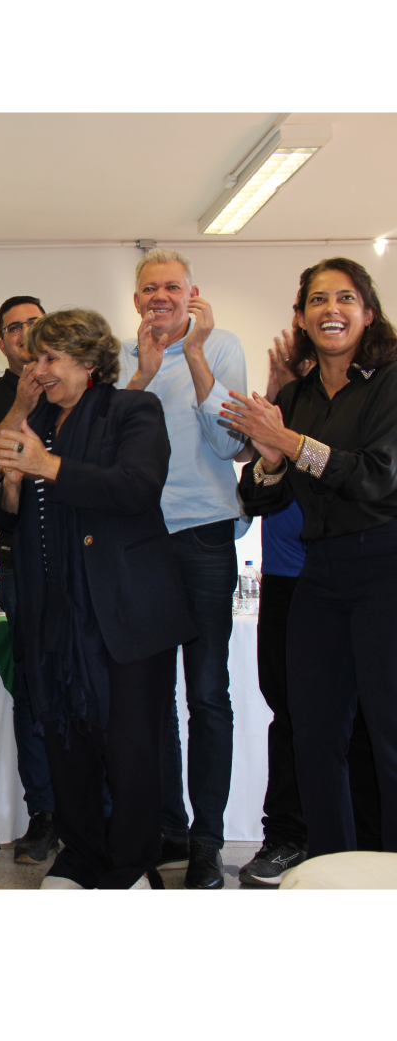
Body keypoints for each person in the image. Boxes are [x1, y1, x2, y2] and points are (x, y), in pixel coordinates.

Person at [0, 309, 195, 890]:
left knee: (129, 750)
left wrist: (43, 465)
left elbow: (136, 488)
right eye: (34, 358)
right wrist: (13, 482)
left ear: (88, 362)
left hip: (123, 614)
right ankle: (81, 859)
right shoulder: (41, 423)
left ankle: (132, 868)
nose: (39, 370)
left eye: (50, 358)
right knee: (65, 743)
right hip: (52, 615)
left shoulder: (133, 410)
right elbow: (10, 515)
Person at [227, 257, 397, 859]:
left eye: (346, 298)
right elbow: (258, 498)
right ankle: (333, 865)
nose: (332, 310)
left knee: (386, 734)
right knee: (314, 734)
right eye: (318, 300)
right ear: (300, 317)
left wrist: (292, 445)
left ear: (368, 313)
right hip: (317, 575)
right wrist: (272, 461)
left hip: (383, 568)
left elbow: (379, 478)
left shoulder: (390, 381)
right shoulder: (295, 397)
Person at [119, 247, 247, 890]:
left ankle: (207, 843)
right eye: (150, 288)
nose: (160, 296)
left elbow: (231, 443)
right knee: (149, 699)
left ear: (192, 293)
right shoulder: (119, 359)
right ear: (136, 298)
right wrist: (142, 372)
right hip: (140, 542)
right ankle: (165, 824)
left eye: (172, 286)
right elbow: (103, 443)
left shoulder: (221, 347)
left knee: (206, 694)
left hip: (203, 537)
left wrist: (192, 354)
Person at [0, 295, 59, 865]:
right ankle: (43, 811)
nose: (23, 335)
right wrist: (21, 404)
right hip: (21, 563)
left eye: (33, 325)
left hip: (82, 564)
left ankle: (93, 808)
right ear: (1, 342)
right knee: (32, 691)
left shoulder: (74, 382)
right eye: (12, 329)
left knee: (87, 689)